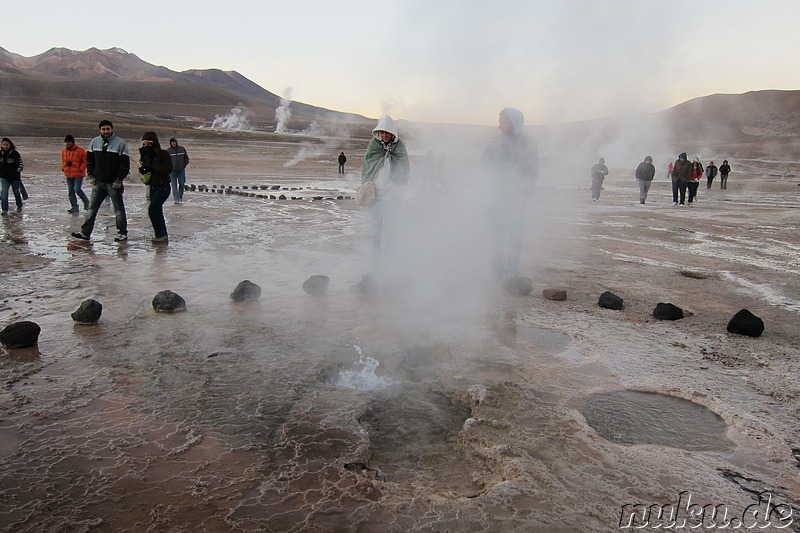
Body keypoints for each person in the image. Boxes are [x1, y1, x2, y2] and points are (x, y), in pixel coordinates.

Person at [482, 107, 538, 279]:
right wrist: (491, 149)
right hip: (496, 195)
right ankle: (496, 271)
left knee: (514, 235)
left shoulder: (527, 142)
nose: (500, 125)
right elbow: (483, 166)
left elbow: (531, 170)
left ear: (514, 122)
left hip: (516, 196)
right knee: (496, 234)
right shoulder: (494, 141)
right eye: (499, 121)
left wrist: (523, 195)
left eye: (504, 121)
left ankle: (512, 270)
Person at [360, 115, 410, 270]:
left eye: (387, 133)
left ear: (393, 133)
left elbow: (404, 170)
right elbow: (367, 167)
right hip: (375, 197)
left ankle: (389, 263)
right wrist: (366, 186)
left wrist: (398, 190)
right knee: (376, 231)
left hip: (392, 198)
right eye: (381, 133)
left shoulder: (399, 148)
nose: (384, 136)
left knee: (390, 232)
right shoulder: (374, 146)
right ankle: (376, 262)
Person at [71, 119, 130, 242]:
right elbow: (90, 161)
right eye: (103, 129)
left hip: (113, 184)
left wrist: (119, 179)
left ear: (112, 129)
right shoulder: (95, 142)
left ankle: (122, 233)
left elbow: (124, 165)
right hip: (99, 183)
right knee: (92, 208)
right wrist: (91, 176)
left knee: (118, 209)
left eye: (108, 129)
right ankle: (85, 233)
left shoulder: (120, 144)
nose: (106, 131)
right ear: (100, 130)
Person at [139, 132, 173, 243]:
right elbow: (146, 168)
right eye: (144, 144)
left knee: (152, 210)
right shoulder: (146, 155)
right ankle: (161, 235)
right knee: (157, 211)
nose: (146, 147)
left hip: (163, 187)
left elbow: (168, 169)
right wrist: (144, 169)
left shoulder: (163, 154)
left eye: (149, 144)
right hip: (152, 187)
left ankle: (161, 235)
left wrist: (153, 167)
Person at [61, 135, 90, 213]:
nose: (68, 144)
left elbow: (85, 161)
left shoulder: (80, 151)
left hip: (78, 174)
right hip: (68, 174)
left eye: (69, 142)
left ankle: (87, 202)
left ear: (73, 142)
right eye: (66, 142)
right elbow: (63, 160)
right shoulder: (64, 151)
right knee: (71, 191)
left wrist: (81, 168)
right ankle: (74, 206)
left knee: (77, 189)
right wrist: (64, 167)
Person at [0, 137, 24, 215]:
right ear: (1, 145)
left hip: (15, 178)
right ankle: (4, 209)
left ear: (10, 145)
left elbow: (21, 165)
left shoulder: (15, 154)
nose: (5, 146)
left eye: (7, 144)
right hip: (3, 177)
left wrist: (17, 172)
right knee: (4, 192)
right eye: (4, 145)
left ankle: (19, 206)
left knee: (16, 192)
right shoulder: (0, 154)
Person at [167, 138, 189, 204]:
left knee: (182, 183)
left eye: (174, 142)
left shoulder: (182, 149)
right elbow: (166, 161)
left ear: (176, 142)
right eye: (172, 142)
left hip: (181, 170)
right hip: (172, 172)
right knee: (174, 186)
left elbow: (186, 158)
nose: (173, 143)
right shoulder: (168, 151)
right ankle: (176, 199)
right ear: (170, 143)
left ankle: (180, 196)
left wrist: (184, 165)